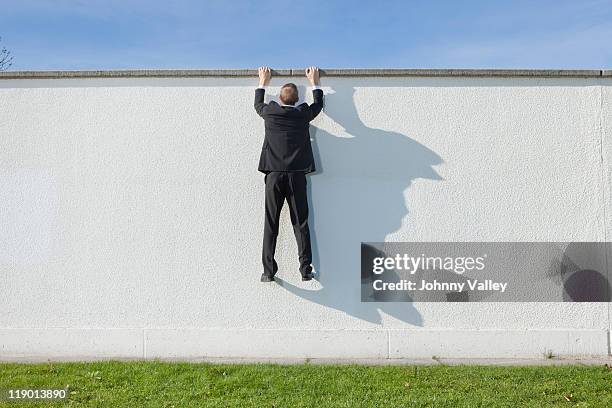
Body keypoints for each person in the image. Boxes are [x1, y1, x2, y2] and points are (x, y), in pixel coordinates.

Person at [254, 66, 324, 282]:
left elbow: (258, 104)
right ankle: (305, 270)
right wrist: (314, 81)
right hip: (296, 177)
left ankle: (268, 272)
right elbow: (318, 105)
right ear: (296, 100)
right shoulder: (302, 115)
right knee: (300, 223)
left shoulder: (270, 113)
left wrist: (263, 81)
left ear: (280, 98)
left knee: (271, 223)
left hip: (274, 176)